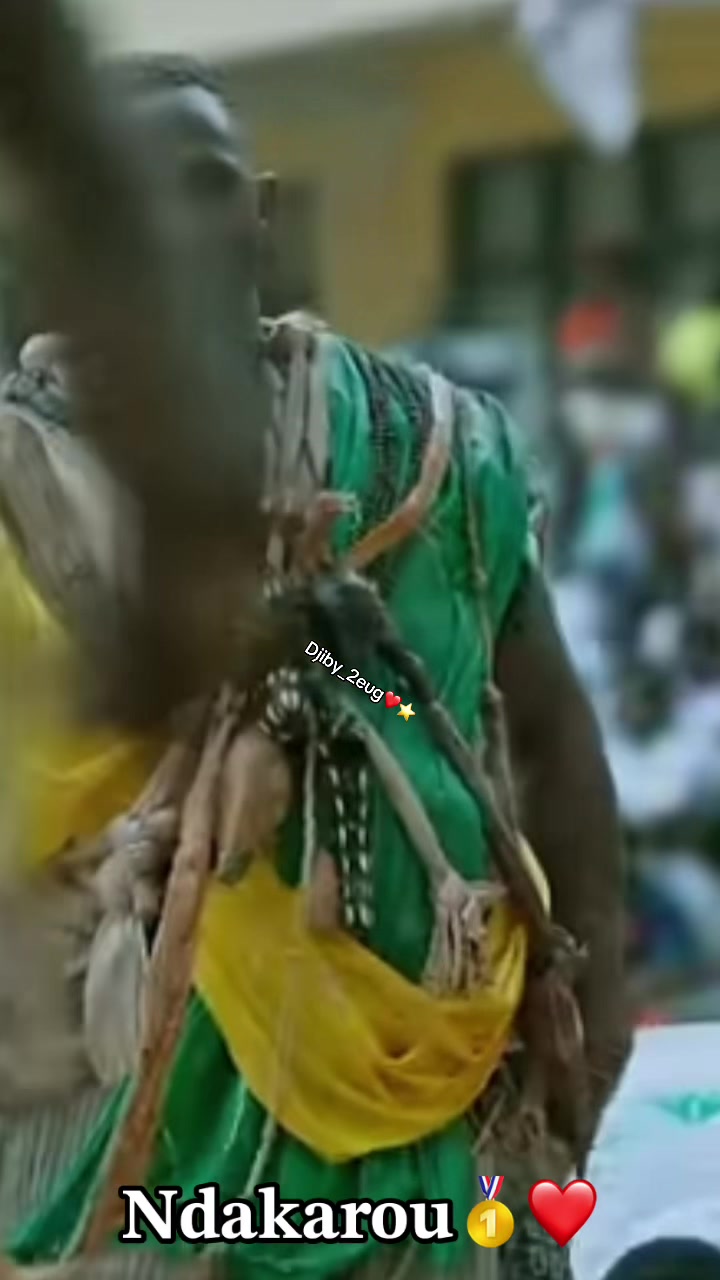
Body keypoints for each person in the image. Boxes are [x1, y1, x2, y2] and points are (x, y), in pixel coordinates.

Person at [0, 57, 628, 1280]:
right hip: (124, 1169)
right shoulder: (22, 494)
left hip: (434, 1141)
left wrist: (589, 1028)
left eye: (199, 184)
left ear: (262, 211)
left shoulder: (428, 455)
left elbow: (493, 724)